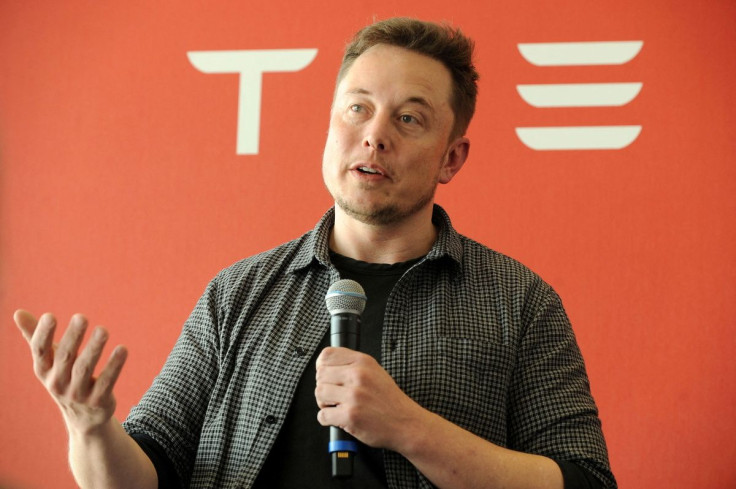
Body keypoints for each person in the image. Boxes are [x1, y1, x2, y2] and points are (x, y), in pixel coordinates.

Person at [14, 17, 616, 489]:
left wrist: (411, 429)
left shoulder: (518, 301)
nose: (375, 134)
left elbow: (584, 480)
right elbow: (146, 470)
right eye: (357, 107)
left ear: (451, 158)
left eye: (409, 118)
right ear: (330, 127)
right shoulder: (239, 292)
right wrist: (90, 428)